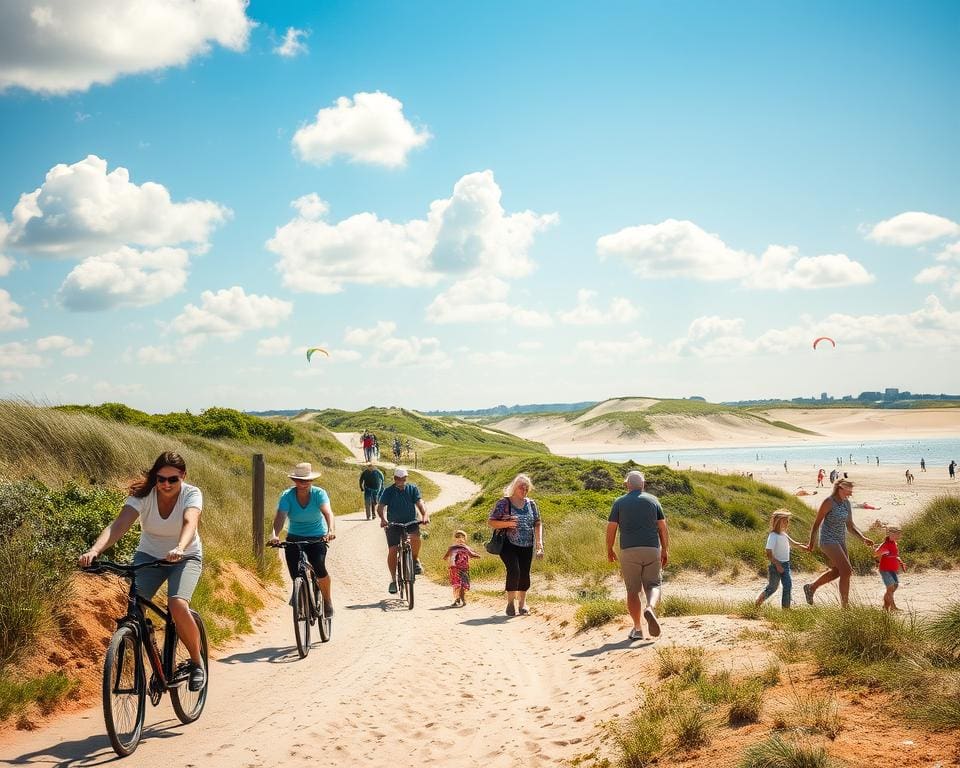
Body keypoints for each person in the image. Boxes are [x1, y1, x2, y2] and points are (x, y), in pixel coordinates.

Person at [79, 451, 206, 691]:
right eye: (161, 479)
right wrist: (95, 551)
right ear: (154, 477)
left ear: (183, 477)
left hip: (185, 556)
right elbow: (118, 525)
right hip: (149, 557)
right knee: (135, 606)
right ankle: (149, 661)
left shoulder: (192, 494)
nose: (166, 484)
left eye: (173, 479)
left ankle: (197, 664)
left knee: (177, 604)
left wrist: (180, 547)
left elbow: (191, 523)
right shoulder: (143, 495)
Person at [606, 470, 669, 640]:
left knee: (632, 590)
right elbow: (662, 527)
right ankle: (650, 607)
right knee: (654, 584)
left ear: (627, 484)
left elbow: (611, 528)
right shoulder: (653, 500)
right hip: (651, 548)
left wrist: (609, 548)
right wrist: (665, 549)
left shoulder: (619, 502)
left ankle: (638, 629)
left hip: (628, 550)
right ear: (643, 484)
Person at [269, 462, 336, 616]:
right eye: (300, 480)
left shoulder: (319, 494)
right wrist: (275, 534)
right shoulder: (287, 495)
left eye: (306, 481)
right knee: (295, 573)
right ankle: (299, 592)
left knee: (319, 567)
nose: (303, 484)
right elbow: (280, 517)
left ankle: (327, 601)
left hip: (317, 537)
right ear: (294, 481)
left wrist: (330, 530)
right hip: (294, 537)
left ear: (311, 481)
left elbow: (328, 513)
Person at [802, 479, 874, 608]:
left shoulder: (846, 504)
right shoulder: (828, 502)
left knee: (838, 571)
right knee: (846, 571)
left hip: (840, 540)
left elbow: (850, 526)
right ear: (840, 488)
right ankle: (845, 608)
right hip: (828, 540)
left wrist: (863, 538)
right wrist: (811, 543)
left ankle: (811, 588)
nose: (850, 494)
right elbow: (816, 524)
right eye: (848, 490)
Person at [489, 473, 544, 616]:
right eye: (521, 487)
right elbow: (491, 522)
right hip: (508, 544)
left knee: (525, 573)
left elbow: (537, 523)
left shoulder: (531, 504)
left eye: (527, 488)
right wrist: (508, 523)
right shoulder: (504, 503)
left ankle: (522, 604)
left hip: (527, 544)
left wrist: (539, 543)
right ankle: (510, 603)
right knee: (514, 570)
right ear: (514, 487)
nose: (524, 490)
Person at [377, 467, 429, 594]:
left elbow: (420, 503)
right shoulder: (388, 491)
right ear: (394, 478)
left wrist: (425, 515)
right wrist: (383, 519)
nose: (400, 480)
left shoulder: (412, 489)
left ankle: (415, 560)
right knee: (393, 550)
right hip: (393, 524)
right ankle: (393, 580)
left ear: (406, 478)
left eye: (403, 478)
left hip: (411, 521)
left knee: (416, 538)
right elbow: (380, 507)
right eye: (398, 478)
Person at [755, 510, 804, 609]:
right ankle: (756, 604)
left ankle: (786, 609)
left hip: (785, 565)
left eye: (787, 521)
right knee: (772, 588)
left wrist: (805, 547)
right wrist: (777, 564)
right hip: (775, 566)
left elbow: (794, 543)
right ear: (778, 521)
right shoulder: (773, 536)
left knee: (787, 585)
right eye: (785, 520)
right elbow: (768, 552)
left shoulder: (784, 534)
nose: (787, 523)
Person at [442, 530, 480, 607]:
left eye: (462, 537)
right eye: (457, 537)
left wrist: (477, 556)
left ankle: (462, 598)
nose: (460, 539)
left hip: (464, 569)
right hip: (454, 569)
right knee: (456, 585)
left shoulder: (466, 548)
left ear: (465, 539)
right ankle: (457, 599)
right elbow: (446, 556)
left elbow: (471, 554)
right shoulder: (452, 548)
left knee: (463, 584)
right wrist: (447, 558)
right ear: (454, 539)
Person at [874, 526, 905, 611]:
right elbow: (876, 553)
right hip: (885, 569)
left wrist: (900, 563)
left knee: (894, 586)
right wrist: (880, 553)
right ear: (891, 534)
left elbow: (895, 555)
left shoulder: (894, 543)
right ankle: (893, 607)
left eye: (899, 534)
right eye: (897, 534)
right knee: (890, 588)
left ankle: (885, 606)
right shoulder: (885, 544)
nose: (899, 535)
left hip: (892, 569)